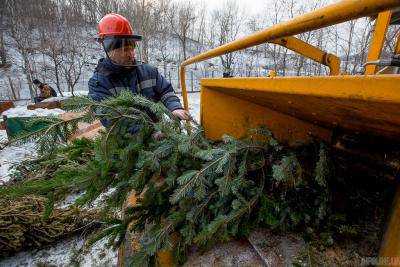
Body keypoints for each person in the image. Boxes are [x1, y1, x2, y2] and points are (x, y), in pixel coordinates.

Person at [88, 13, 190, 130]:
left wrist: (174, 107)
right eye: (125, 49)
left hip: (159, 132)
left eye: (132, 48)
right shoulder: (99, 83)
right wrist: (149, 133)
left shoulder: (149, 71)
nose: (131, 54)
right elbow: (113, 120)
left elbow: (166, 91)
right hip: (127, 142)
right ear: (108, 49)